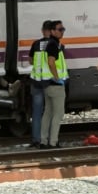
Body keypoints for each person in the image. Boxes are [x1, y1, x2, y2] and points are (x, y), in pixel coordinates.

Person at [39, 20, 68, 148]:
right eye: (59, 29)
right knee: (58, 114)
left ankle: (43, 141)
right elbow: (51, 62)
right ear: (52, 31)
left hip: (47, 85)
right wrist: (57, 78)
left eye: (63, 29)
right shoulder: (53, 45)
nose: (62, 32)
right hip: (55, 86)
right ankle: (53, 142)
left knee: (48, 113)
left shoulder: (51, 44)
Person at [27, 18, 54, 148]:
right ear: (52, 31)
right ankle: (47, 139)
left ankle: (36, 140)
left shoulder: (36, 44)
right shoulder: (55, 45)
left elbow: (30, 61)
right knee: (49, 112)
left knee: (37, 113)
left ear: (43, 31)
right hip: (50, 83)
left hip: (36, 82)